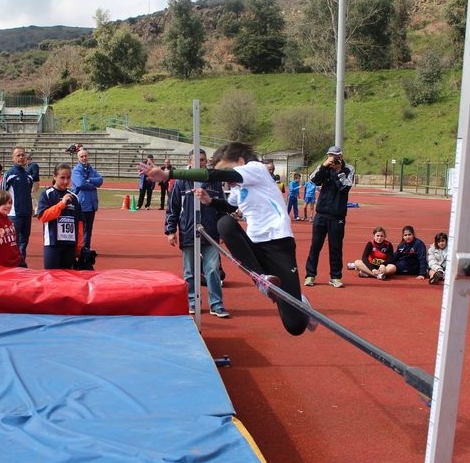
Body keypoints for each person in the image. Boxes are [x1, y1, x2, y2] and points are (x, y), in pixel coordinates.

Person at [140, 142, 315, 336]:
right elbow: (231, 207)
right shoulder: (239, 188)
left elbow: (212, 175)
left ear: (240, 162)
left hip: (279, 243)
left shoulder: (255, 169)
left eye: (227, 172)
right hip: (254, 245)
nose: (227, 180)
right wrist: (210, 201)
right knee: (225, 224)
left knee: (294, 326)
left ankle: (299, 300)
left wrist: (169, 174)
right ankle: (261, 279)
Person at [164, 149, 228, 318]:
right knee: (190, 271)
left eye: (203, 160)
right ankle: (192, 301)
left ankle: (216, 304)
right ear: (190, 161)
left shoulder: (214, 182)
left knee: (213, 270)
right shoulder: (181, 182)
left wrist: (223, 231)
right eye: (197, 160)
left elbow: (221, 208)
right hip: (188, 231)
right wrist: (171, 231)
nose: (200, 163)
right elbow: (173, 208)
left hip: (211, 232)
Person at [304, 146, 355, 288]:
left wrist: (339, 171)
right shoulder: (325, 168)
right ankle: (310, 275)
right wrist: (323, 166)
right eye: (330, 156)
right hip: (321, 214)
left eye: (335, 156)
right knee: (315, 246)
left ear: (341, 156)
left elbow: (346, 187)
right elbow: (313, 180)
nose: (333, 159)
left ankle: (335, 277)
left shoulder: (348, 169)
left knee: (336, 247)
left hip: (337, 215)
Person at [37, 163, 84, 269]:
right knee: (51, 277)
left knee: (66, 278)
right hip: (52, 244)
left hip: (69, 245)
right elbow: (43, 217)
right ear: (54, 177)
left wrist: (78, 246)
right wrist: (61, 204)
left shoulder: (75, 198)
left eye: (68, 178)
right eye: (62, 178)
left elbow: (79, 223)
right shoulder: (47, 194)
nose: (66, 181)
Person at [0, 147, 34, 267]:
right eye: (18, 155)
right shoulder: (9, 174)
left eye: (22, 155)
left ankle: (21, 264)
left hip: (27, 214)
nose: (21, 158)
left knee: (24, 242)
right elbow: (1, 193)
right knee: (14, 242)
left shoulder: (29, 176)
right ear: (12, 158)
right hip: (14, 214)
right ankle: (13, 265)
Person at [71, 147, 103, 250]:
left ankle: (86, 248)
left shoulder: (92, 170)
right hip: (82, 204)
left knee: (88, 229)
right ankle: (80, 248)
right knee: (81, 228)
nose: (84, 158)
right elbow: (80, 183)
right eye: (82, 156)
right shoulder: (76, 171)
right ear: (78, 158)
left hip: (92, 204)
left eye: (85, 156)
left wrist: (89, 181)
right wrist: (92, 185)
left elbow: (100, 180)